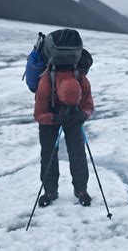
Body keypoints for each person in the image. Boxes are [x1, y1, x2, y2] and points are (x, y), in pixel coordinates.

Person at [34, 68, 94, 207]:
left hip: (74, 115)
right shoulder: (46, 83)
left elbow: (88, 105)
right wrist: (54, 118)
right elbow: (38, 114)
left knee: (77, 152)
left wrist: (83, 114)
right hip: (50, 114)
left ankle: (81, 190)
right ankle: (50, 191)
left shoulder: (82, 80)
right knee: (48, 153)